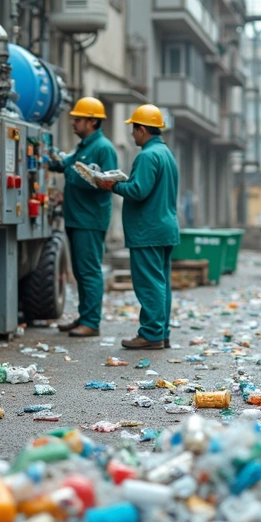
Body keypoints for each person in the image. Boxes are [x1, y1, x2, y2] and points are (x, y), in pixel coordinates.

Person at [96, 104, 179, 350]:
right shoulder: (166, 154)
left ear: (142, 130)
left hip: (147, 231)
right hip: (164, 229)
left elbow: (138, 190)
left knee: (149, 284)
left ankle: (151, 334)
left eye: (134, 129)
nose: (132, 135)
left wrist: (112, 185)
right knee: (161, 283)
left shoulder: (146, 156)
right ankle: (160, 332)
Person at [49, 97, 119, 337]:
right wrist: (50, 158)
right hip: (76, 217)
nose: (73, 123)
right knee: (80, 271)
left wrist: (70, 172)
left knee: (88, 271)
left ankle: (91, 322)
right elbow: (65, 163)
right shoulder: (84, 146)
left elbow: (104, 182)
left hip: (90, 219)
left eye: (77, 119)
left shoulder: (103, 148)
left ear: (92, 121)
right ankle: (84, 315)